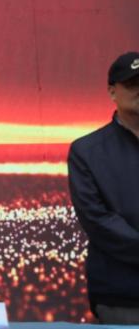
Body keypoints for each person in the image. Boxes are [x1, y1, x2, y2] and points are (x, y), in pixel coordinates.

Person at [68, 52, 139, 324]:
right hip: (122, 294)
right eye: (132, 84)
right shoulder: (87, 151)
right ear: (112, 92)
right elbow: (97, 219)